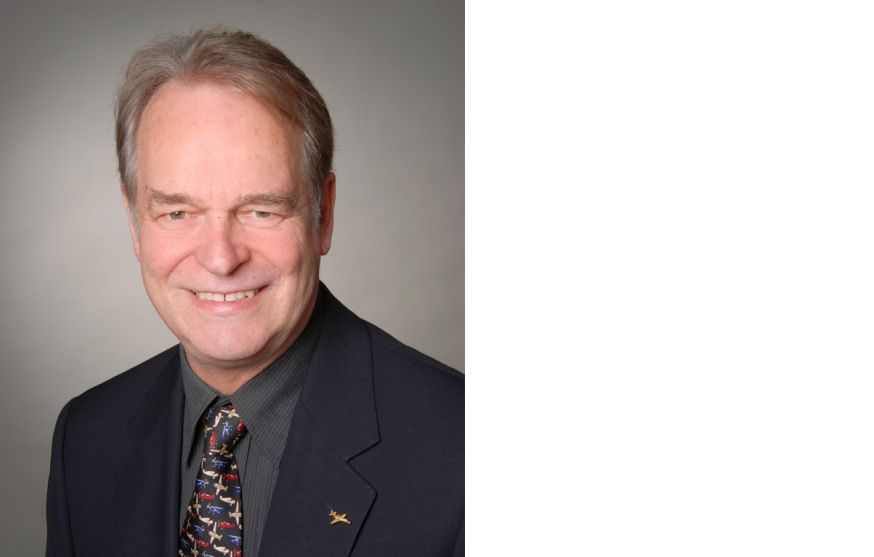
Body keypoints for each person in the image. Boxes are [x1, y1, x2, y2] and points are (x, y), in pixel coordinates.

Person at [45, 27, 463, 557]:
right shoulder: (86, 438)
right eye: (178, 212)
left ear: (323, 214)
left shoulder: (463, 448)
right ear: (134, 223)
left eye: (261, 210)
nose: (221, 259)